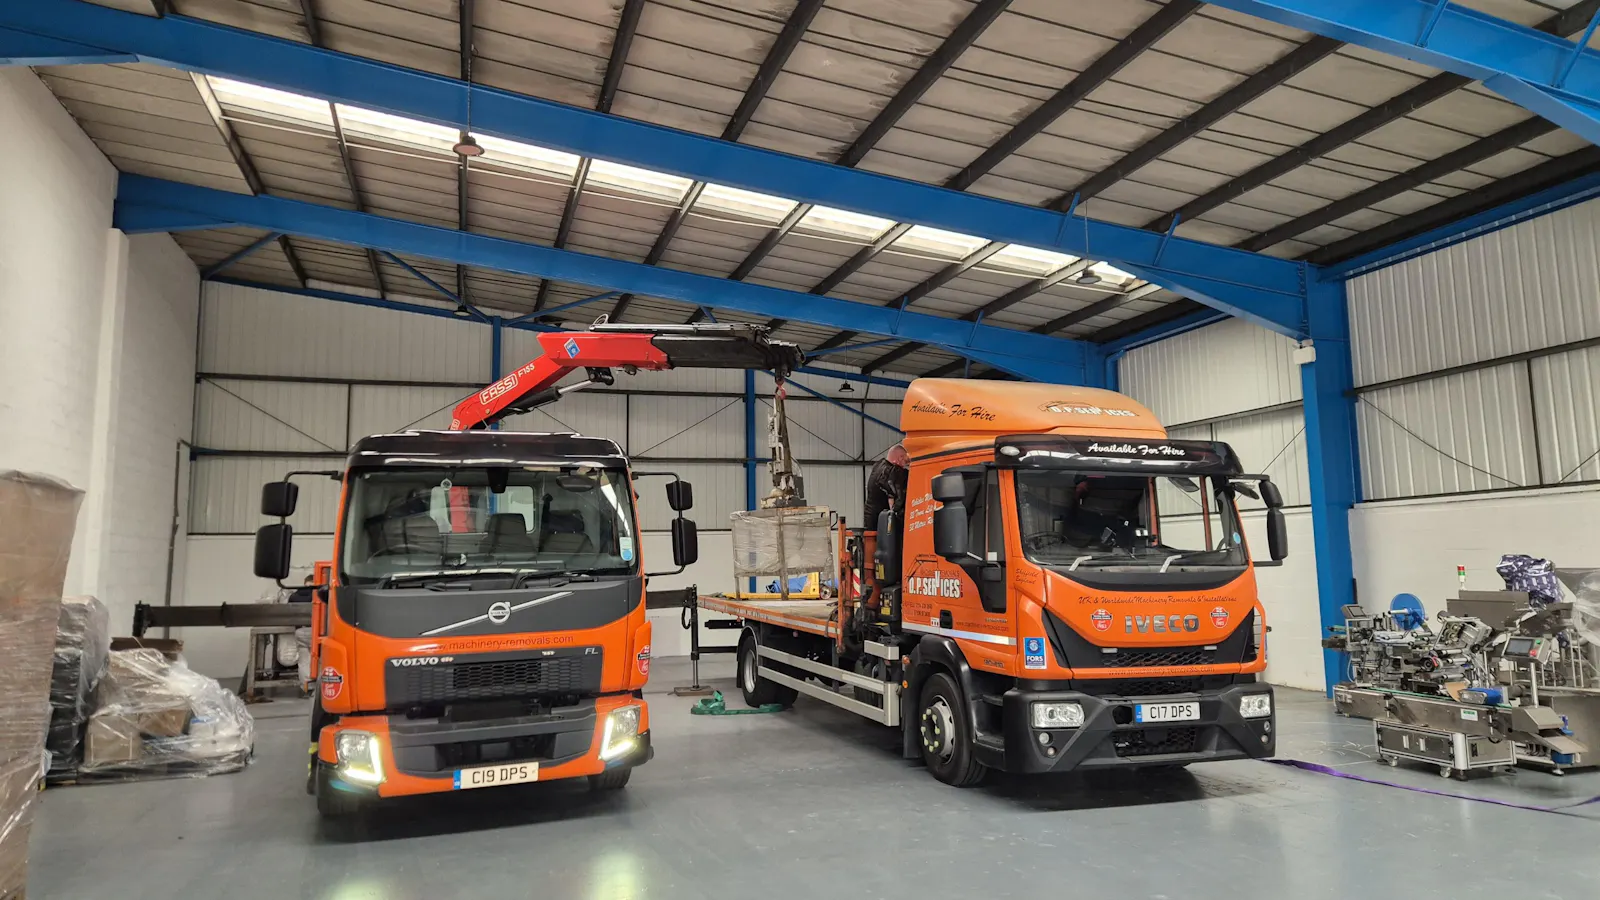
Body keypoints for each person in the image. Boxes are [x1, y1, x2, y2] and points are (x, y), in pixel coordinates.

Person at [863, 443, 909, 531]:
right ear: (900, 458)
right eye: (906, 462)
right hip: (881, 524)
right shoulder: (889, 472)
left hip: (872, 521)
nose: (905, 465)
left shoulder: (878, 466)